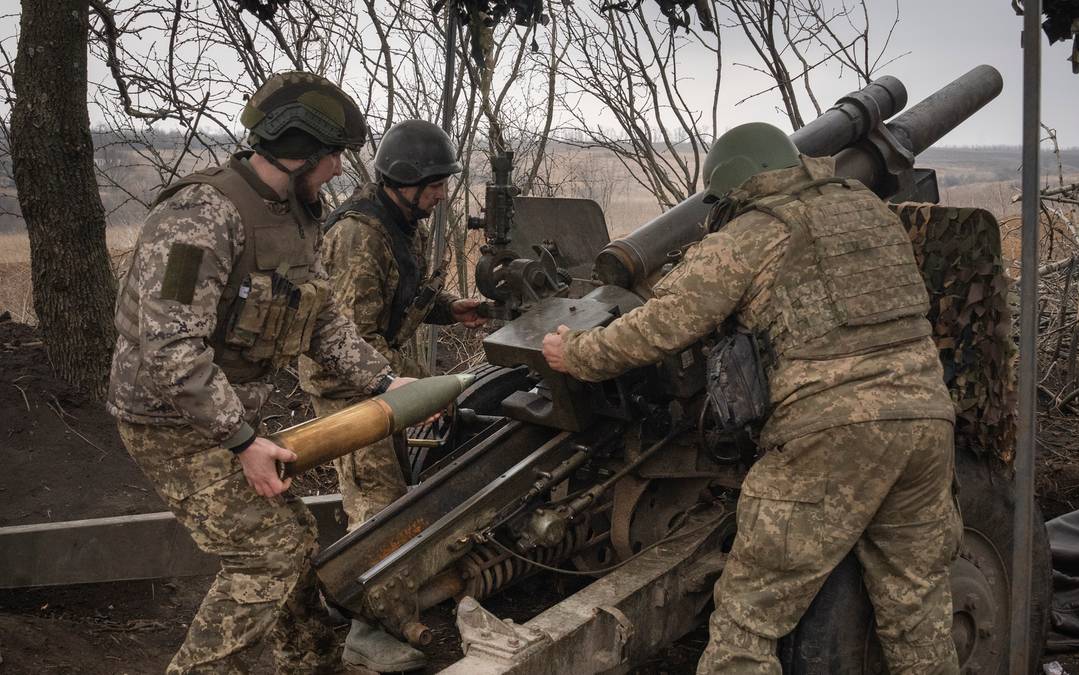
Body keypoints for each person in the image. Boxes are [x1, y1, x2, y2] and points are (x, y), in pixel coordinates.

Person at [541, 122, 961, 674]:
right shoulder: (871, 211)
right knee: (918, 611)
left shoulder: (755, 233)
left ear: (737, 182)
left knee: (748, 623)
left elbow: (665, 325)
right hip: (926, 422)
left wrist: (577, 354)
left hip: (829, 434)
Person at [107, 71, 414, 674]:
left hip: (224, 416)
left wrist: (384, 383)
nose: (338, 171)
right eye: (333, 158)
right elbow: (170, 346)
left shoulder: (297, 213)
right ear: (300, 153)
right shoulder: (199, 216)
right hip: (168, 422)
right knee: (268, 554)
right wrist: (244, 442)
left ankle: (309, 662)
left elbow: (323, 318)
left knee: (294, 537)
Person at [298, 119, 486, 672]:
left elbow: (403, 298)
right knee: (377, 507)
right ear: (403, 180)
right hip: (347, 389)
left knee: (398, 493)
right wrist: (419, 387)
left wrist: (451, 308)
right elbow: (349, 339)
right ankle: (369, 635)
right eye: (433, 183)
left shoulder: (405, 223)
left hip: (381, 382)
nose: (441, 193)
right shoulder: (359, 234)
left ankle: (360, 604)